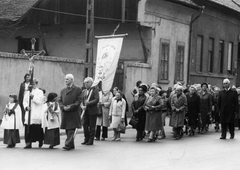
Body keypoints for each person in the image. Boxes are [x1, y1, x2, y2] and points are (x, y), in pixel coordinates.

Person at [59, 74, 82, 150]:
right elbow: (60, 101)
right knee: (67, 129)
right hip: (65, 112)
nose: (65, 80)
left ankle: (68, 144)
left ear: (72, 80)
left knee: (71, 129)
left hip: (73, 113)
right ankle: (71, 144)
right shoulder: (63, 90)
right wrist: (62, 107)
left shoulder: (77, 89)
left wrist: (71, 107)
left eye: (67, 79)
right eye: (65, 79)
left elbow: (79, 101)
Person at [23, 78, 44, 149]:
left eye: (34, 84)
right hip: (29, 113)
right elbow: (24, 101)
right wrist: (26, 107)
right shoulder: (27, 92)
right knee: (28, 128)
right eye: (31, 84)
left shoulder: (40, 92)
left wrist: (33, 97)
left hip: (36, 112)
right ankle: (28, 143)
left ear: (36, 84)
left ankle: (40, 140)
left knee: (36, 128)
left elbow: (39, 101)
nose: (32, 85)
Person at [81, 77, 99, 145]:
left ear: (91, 83)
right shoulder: (83, 91)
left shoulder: (94, 90)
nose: (86, 84)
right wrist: (82, 106)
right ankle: (86, 138)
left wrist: (89, 103)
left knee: (92, 126)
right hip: (85, 111)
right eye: (85, 83)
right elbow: (81, 100)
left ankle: (91, 140)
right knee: (85, 126)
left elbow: (96, 99)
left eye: (87, 82)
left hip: (92, 111)